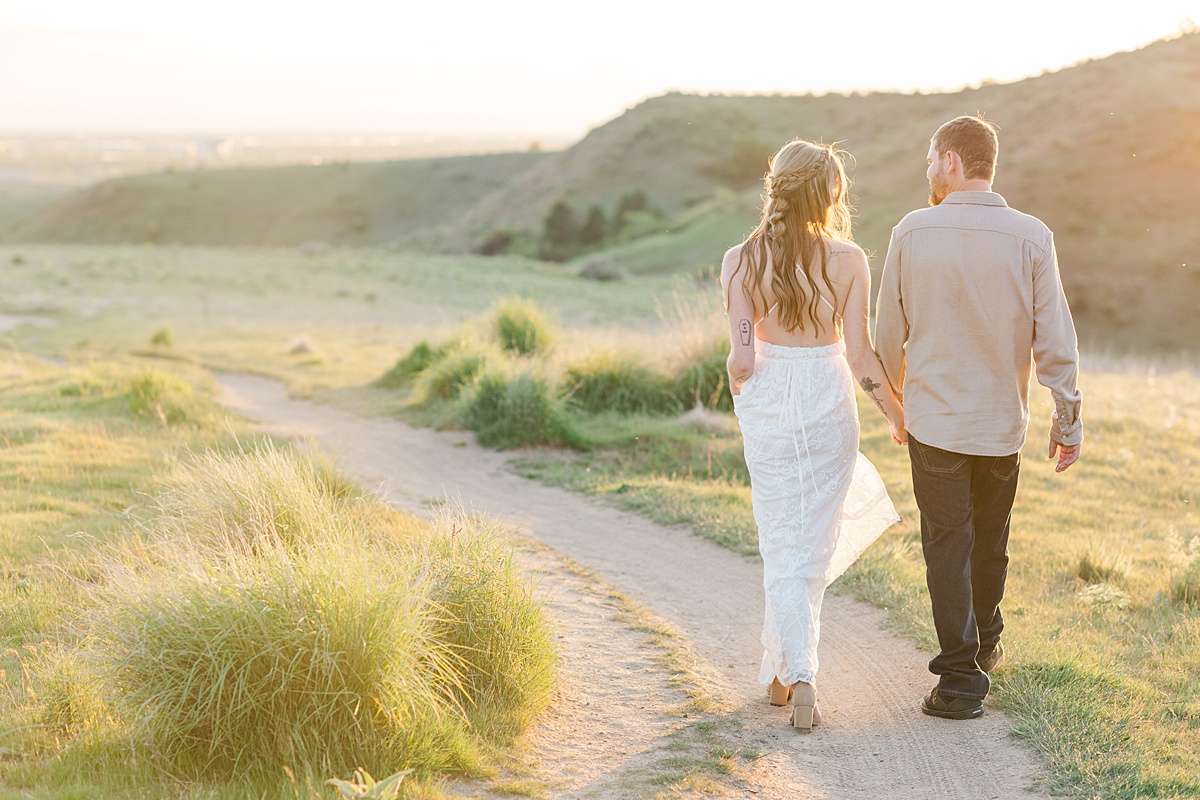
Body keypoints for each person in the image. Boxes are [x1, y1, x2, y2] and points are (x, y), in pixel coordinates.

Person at [874, 115, 1083, 720]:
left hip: (935, 422)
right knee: (990, 539)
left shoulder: (911, 232)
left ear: (951, 161)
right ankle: (984, 647)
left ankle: (961, 679)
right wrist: (1066, 420)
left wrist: (896, 404)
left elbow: (889, 336)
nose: (929, 171)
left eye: (931, 159)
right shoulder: (1032, 235)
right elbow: (1057, 342)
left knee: (947, 543)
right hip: (1000, 424)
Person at [721, 139, 904, 733]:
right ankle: (788, 674)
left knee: (782, 543)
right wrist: (896, 415)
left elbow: (743, 357)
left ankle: (796, 676)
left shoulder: (740, 261)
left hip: (771, 403)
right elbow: (860, 356)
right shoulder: (850, 259)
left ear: (776, 187)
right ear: (830, 193)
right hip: (829, 404)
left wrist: (736, 385)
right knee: (811, 549)